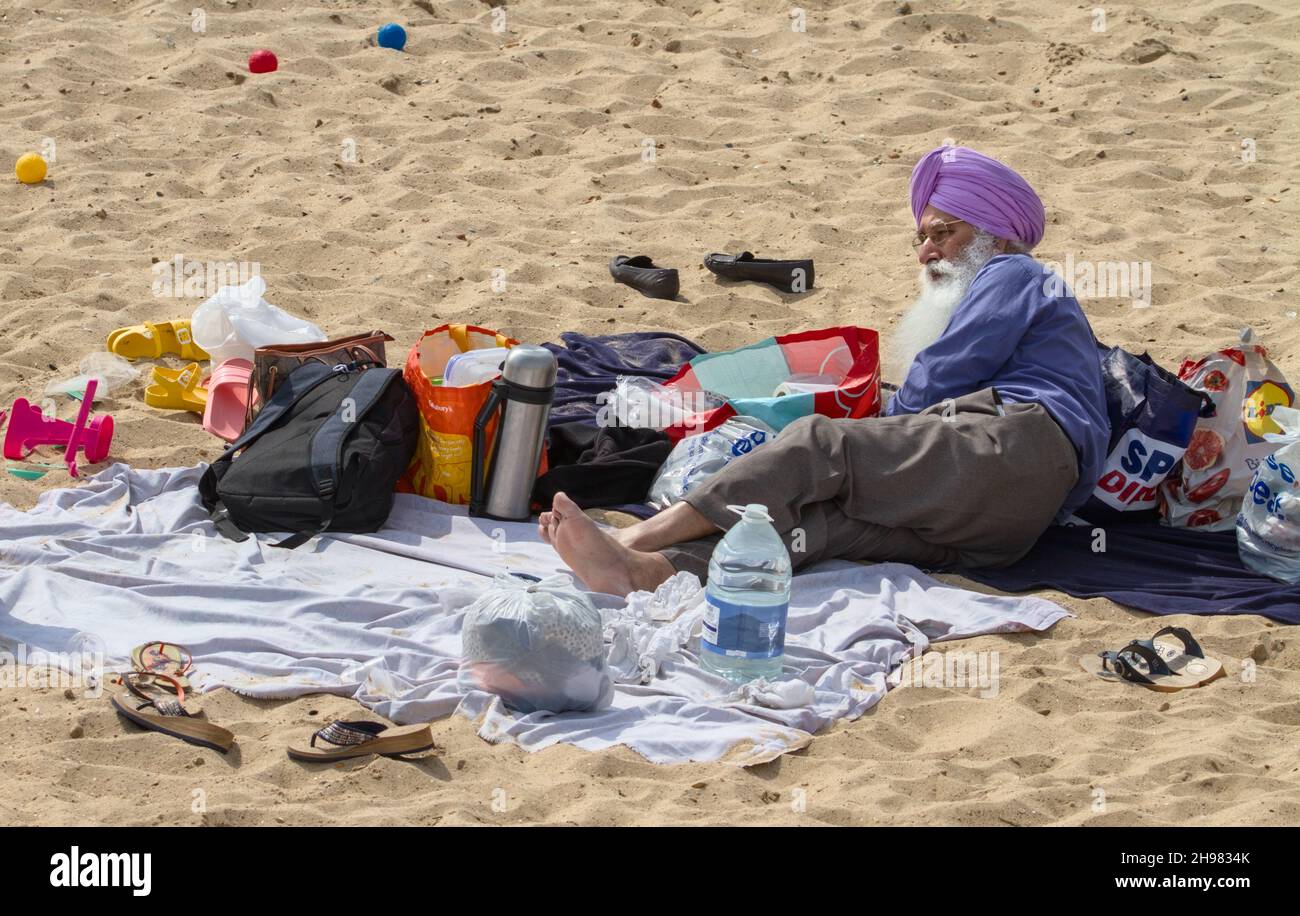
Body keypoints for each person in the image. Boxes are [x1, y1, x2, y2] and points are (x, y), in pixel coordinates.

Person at [540, 145, 1110, 597]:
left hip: (1015, 447)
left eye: (943, 233)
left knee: (817, 443)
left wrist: (870, 427)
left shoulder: (1014, 271)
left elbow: (943, 373)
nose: (926, 252)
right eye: (922, 238)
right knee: (812, 527)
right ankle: (650, 572)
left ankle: (634, 536)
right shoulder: (1021, 289)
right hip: (1007, 531)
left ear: (998, 233)